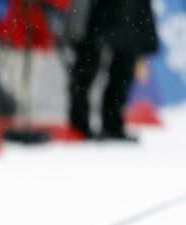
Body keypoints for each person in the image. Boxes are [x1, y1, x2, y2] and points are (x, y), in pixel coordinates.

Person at [64, 0, 159, 141]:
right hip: (95, 12)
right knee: (86, 69)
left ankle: (112, 123)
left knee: (123, 72)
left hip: (129, 13)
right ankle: (79, 124)